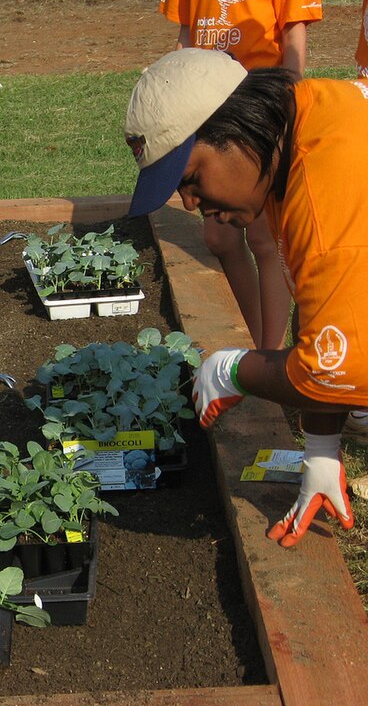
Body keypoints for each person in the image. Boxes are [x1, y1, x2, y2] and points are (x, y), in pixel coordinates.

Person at [123, 48, 366, 547]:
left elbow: (336, 370)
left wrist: (234, 369)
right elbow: (317, 309)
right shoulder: (302, 128)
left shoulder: (324, 191)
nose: (190, 202)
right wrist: (321, 446)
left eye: (192, 179)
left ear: (235, 131)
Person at [157, 0, 322, 352]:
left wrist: (284, 107)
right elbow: (186, 34)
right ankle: (260, 346)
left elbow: (293, 36)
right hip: (208, 108)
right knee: (220, 239)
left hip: (257, 116)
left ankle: (270, 353)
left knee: (264, 240)